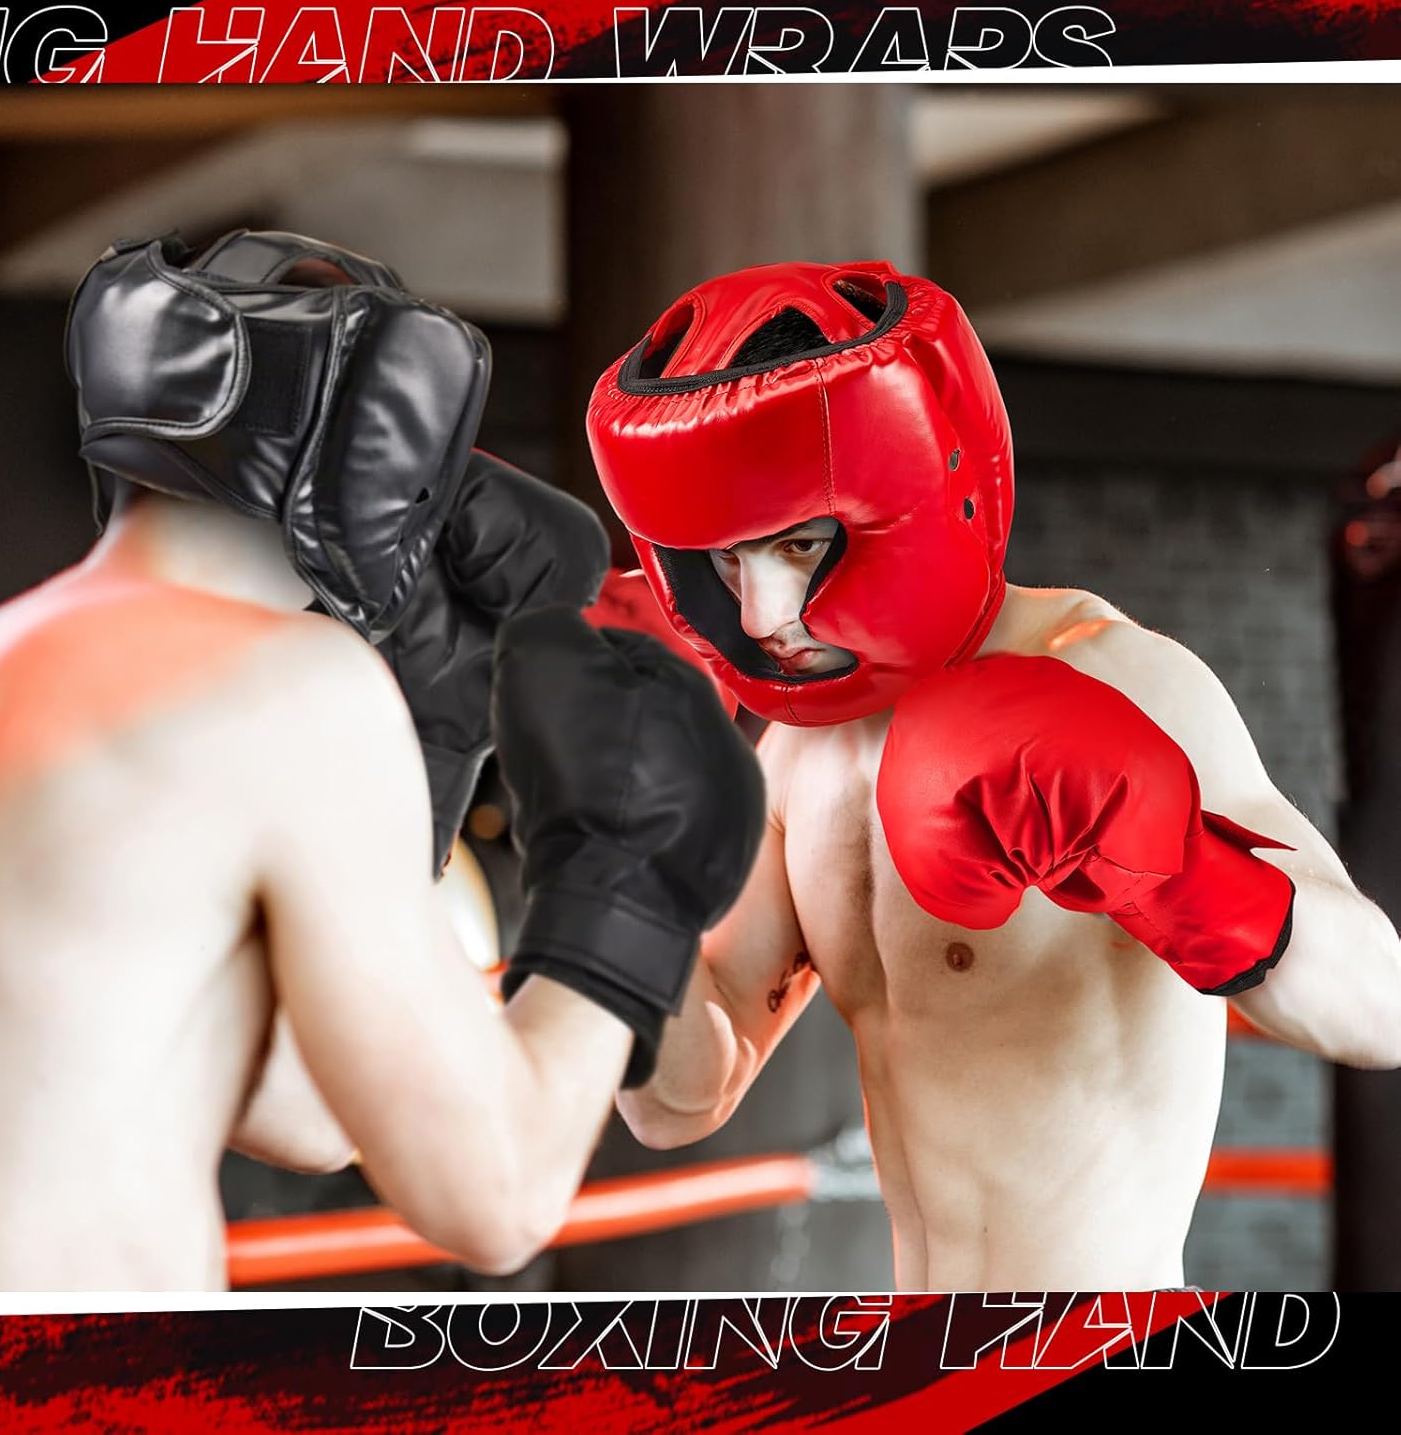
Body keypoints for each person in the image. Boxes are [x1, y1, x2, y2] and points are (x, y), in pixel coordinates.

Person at [0, 229, 762, 1289]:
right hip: (64, 1371)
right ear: (388, 436)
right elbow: (498, 1195)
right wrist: (627, 860)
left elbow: (310, 1114)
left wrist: (435, 745)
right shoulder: (288, 691)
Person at [587, 260, 1401, 1290]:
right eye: (727, 562)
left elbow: (1380, 1009)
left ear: (917, 489)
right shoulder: (800, 749)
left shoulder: (1117, 677)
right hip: (920, 1345)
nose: (762, 615)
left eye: (797, 544)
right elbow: (677, 1103)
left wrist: (1173, 862)